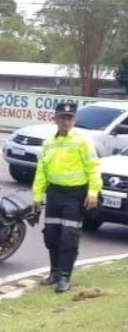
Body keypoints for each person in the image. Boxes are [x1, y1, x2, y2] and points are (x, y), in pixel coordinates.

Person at [32, 101, 103, 293]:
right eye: (62, 117)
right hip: (54, 193)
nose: (66, 121)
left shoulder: (82, 140)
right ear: (54, 119)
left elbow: (93, 167)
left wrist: (93, 191)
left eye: (69, 118)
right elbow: (41, 172)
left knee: (69, 237)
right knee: (52, 234)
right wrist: (37, 195)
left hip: (75, 195)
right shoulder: (48, 143)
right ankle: (54, 273)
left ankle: (64, 277)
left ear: (74, 120)